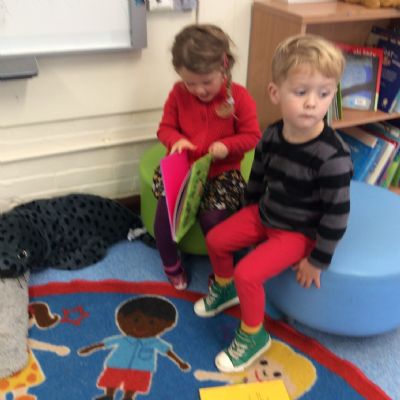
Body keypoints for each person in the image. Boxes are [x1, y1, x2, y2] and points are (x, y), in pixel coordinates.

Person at [194, 34, 353, 373]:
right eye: (301, 92)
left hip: (298, 232)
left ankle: (254, 336)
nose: (312, 103)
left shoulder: (333, 157)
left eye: (324, 93)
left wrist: (317, 261)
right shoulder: (271, 133)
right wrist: (248, 212)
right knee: (216, 239)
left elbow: (337, 216)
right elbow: (258, 176)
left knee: (247, 273)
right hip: (265, 213)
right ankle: (224, 289)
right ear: (275, 93)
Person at [152, 24, 261, 290]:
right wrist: (176, 140)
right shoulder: (178, 94)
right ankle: (170, 264)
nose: (199, 90)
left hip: (222, 172)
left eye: (207, 82)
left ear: (224, 67)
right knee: (165, 218)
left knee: (214, 220)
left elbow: (252, 136)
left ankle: (222, 273)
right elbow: (165, 129)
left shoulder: (240, 97)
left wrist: (227, 146)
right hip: (183, 170)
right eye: (190, 83)